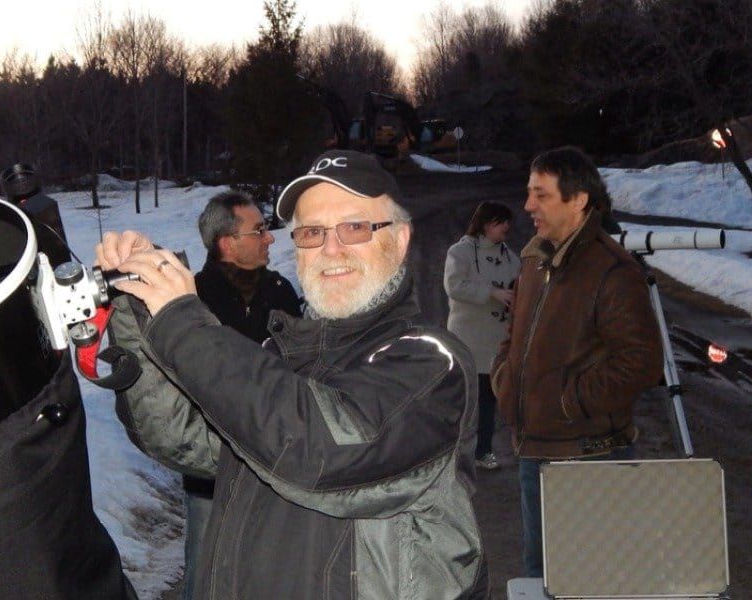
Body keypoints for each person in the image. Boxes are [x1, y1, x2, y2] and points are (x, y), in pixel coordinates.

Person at [101, 150, 487, 598]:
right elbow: (181, 436)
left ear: (399, 240)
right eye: (311, 232)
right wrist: (139, 305)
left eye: (355, 227)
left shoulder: (431, 361)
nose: (331, 248)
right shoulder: (285, 356)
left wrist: (182, 321)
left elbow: (320, 445)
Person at [491, 146, 663, 578]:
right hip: (535, 451)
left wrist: (566, 402)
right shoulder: (533, 259)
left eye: (541, 195)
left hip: (588, 459)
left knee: (589, 581)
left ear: (579, 199)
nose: (528, 205)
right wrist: (505, 378)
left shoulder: (613, 270)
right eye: (529, 193)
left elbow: (640, 362)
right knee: (542, 576)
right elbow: (514, 336)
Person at [171, 191, 302, 599]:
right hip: (211, 467)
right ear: (228, 243)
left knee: (273, 571)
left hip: (274, 462)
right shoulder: (190, 299)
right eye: (259, 230)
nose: (270, 238)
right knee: (205, 571)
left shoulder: (281, 291)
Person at [444, 201, 521, 471]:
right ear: (487, 223)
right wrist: (491, 293)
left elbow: (518, 287)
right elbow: (454, 286)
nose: (507, 228)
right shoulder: (460, 252)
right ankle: (450, 453)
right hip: (467, 338)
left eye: (507, 223)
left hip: (496, 341)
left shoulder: (511, 257)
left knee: (490, 400)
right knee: (463, 400)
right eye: (502, 222)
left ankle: (483, 451)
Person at [1, 163, 68, 244]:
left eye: (24, 180)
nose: (22, 185)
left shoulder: (45, 204)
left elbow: (57, 241)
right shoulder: (8, 212)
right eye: (16, 182)